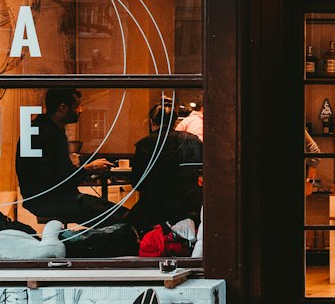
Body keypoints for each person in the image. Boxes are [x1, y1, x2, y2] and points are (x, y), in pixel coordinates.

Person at [16, 87, 124, 226]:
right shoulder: (39, 133)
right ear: (63, 108)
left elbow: (57, 174)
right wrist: (88, 169)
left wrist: (85, 170)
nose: (81, 110)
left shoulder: (51, 131)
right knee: (117, 218)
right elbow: (51, 178)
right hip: (48, 201)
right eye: (77, 106)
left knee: (117, 213)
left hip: (55, 198)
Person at [128, 100, 203, 233]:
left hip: (156, 209)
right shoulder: (193, 141)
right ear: (175, 122)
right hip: (190, 206)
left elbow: (137, 183)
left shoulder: (145, 144)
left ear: (152, 122)